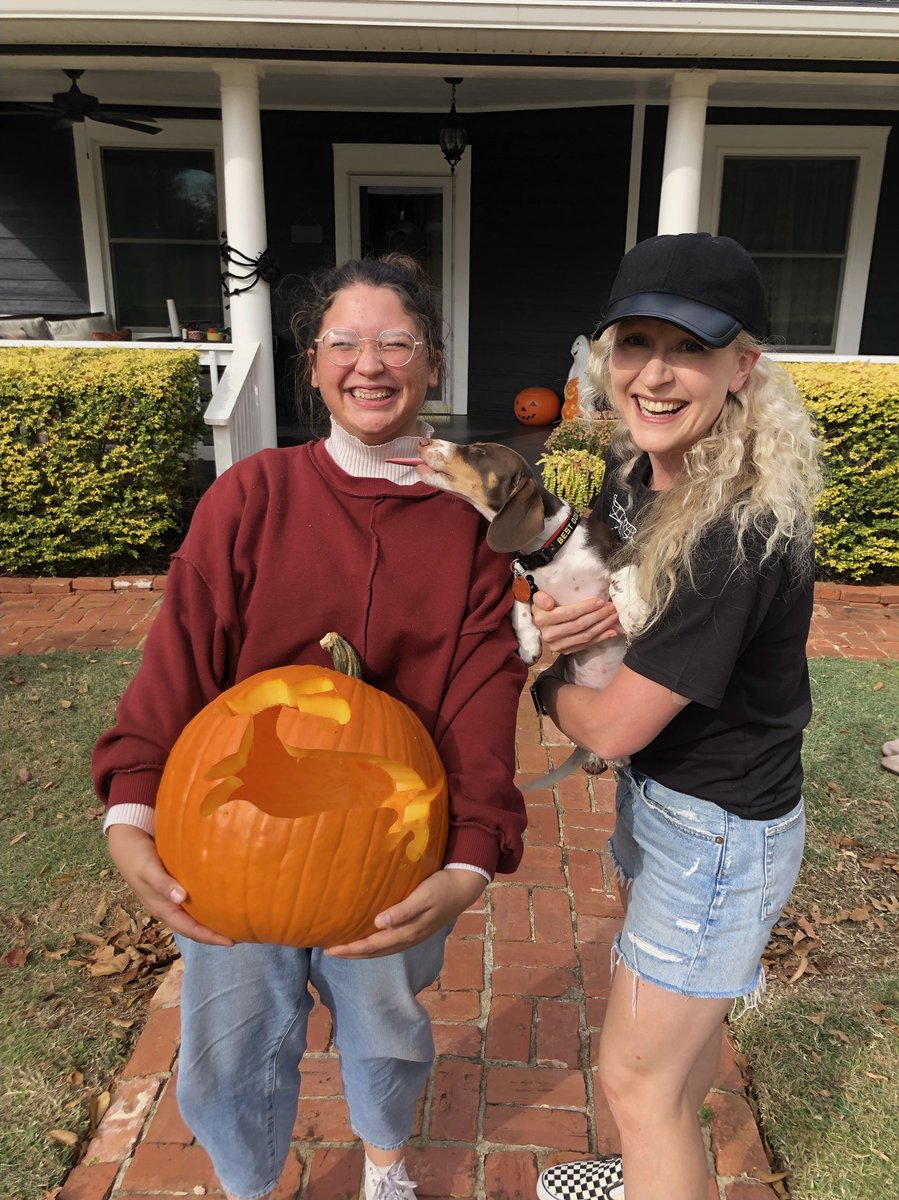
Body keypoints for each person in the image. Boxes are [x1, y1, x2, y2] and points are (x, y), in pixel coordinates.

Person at [92, 253, 528, 1200]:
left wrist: (473, 850)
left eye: (396, 342)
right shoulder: (252, 497)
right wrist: (131, 806)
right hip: (233, 835)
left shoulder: (468, 521)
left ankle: (383, 1160)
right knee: (230, 1042)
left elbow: (484, 684)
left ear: (435, 365)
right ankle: (249, 1184)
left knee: (386, 1027)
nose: (369, 364)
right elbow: (181, 659)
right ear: (313, 364)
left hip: (388, 841)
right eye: (344, 341)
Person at [531, 233, 822, 1200]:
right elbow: (619, 593)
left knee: (635, 1082)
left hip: (717, 829)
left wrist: (535, 675)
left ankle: (659, 1173)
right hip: (682, 809)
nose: (655, 374)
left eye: (689, 349)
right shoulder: (645, 473)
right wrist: (566, 610)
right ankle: (663, 1174)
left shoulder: (732, 527)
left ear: (742, 367)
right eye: (635, 343)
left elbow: (612, 727)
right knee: (670, 1065)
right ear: (604, 357)